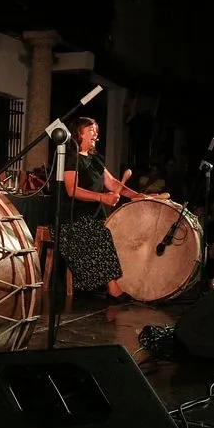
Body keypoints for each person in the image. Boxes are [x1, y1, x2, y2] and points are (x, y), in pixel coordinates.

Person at [58, 117, 162, 302]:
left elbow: (113, 183)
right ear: (79, 133)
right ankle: (113, 289)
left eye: (96, 131)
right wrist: (102, 197)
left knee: (115, 232)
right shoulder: (71, 158)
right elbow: (71, 189)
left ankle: (113, 283)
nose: (95, 134)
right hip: (72, 217)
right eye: (91, 130)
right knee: (100, 233)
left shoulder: (95, 160)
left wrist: (138, 196)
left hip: (94, 216)